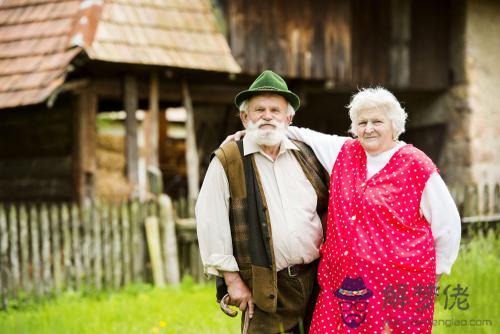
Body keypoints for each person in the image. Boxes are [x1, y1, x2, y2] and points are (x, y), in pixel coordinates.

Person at [226, 87, 461, 333]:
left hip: (398, 289)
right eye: (362, 122)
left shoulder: (416, 164)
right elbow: (303, 133)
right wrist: (256, 132)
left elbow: (448, 224)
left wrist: (435, 277)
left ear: (394, 124)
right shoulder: (345, 152)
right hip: (341, 288)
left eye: (377, 121)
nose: (368, 128)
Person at [195, 70, 330, 333]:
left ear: (288, 118)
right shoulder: (229, 159)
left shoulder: (308, 155)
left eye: (275, 110)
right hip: (266, 287)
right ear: (245, 117)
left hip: (316, 281)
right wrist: (232, 281)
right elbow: (211, 220)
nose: (267, 116)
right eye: (259, 110)